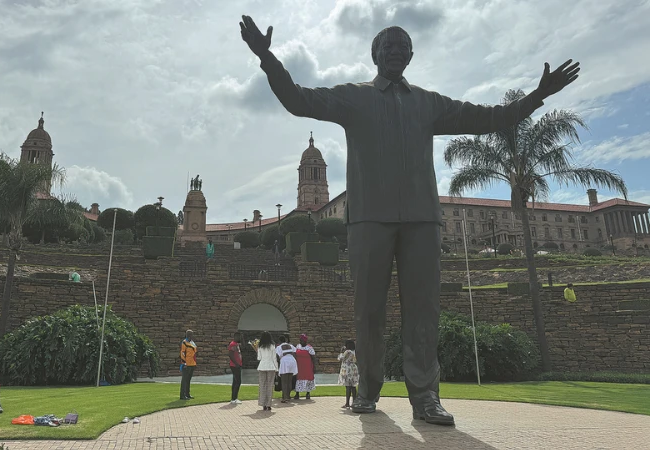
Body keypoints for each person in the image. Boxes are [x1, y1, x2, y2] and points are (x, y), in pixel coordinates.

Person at [239, 15, 579, 426]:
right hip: (368, 219)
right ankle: (367, 389)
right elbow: (298, 99)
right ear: (375, 55)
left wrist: (538, 95)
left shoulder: (429, 103)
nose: (396, 51)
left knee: (424, 309)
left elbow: (491, 117)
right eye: (389, 46)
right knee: (368, 310)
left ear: (412, 56)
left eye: (404, 47)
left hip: (421, 218)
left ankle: (426, 397)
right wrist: (267, 57)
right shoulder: (354, 97)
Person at [253, 331, 278, 411]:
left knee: (262, 385)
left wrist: (257, 351)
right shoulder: (272, 346)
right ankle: (268, 404)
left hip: (262, 366)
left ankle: (263, 404)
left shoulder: (260, 346)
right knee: (270, 385)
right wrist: (276, 368)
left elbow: (259, 358)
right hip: (270, 366)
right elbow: (274, 358)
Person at [275, 335, 298, 403]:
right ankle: (288, 396)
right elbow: (295, 353)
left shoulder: (279, 347)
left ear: (279, 341)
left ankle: (285, 398)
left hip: (285, 362)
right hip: (292, 361)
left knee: (284, 381)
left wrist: (278, 366)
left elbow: (277, 357)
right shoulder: (290, 346)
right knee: (289, 380)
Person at [293, 334, 316, 400]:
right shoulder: (298, 346)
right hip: (299, 367)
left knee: (308, 379)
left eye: (302, 340)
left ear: (305, 341)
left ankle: (308, 393)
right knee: (298, 379)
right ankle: (297, 393)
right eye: (300, 340)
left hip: (307, 367)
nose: (300, 342)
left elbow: (313, 358)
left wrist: (314, 367)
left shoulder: (309, 348)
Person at [338, 339, 360, 408]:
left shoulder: (347, 351)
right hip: (354, 369)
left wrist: (341, 351)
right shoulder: (355, 351)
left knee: (348, 387)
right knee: (353, 387)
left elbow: (340, 358)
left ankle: (347, 403)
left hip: (347, 369)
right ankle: (354, 402)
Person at [179, 329, 197, 400]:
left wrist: (195, 363)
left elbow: (194, 353)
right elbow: (183, 353)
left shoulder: (192, 343)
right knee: (184, 380)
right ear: (189, 335)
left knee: (188, 380)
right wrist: (184, 363)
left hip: (192, 363)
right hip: (186, 364)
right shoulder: (184, 342)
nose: (193, 336)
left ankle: (187, 394)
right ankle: (182, 395)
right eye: (192, 334)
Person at [228, 332, 243, 404]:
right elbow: (230, 354)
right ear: (236, 336)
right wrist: (236, 364)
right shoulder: (232, 344)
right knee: (238, 381)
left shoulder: (236, 344)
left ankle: (234, 398)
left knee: (235, 382)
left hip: (237, 365)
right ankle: (234, 398)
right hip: (234, 366)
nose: (240, 338)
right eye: (239, 337)